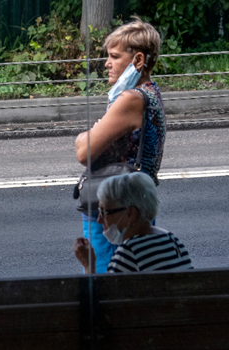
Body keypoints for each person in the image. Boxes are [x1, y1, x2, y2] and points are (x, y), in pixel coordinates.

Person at [74, 18, 166, 273]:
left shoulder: (129, 99)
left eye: (114, 56)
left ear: (138, 60)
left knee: (106, 283)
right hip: (138, 204)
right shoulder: (151, 93)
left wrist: (85, 135)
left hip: (113, 209)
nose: (107, 63)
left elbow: (84, 151)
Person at [74, 172, 192, 273]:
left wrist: (89, 266)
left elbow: (102, 299)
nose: (99, 220)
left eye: (105, 212)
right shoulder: (171, 240)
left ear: (130, 213)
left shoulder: (128, 254)